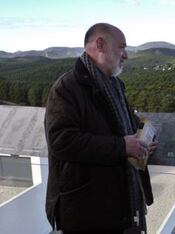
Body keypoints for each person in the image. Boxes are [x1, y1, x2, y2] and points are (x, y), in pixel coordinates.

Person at [44, 23, 158, 234]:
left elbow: (121, 127)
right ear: (100, 44)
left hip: (120, 207)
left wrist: (140, 142)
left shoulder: (115, 85)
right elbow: (61, 141)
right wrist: (122, 147)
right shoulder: (67, 87)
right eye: (121, 47)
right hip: (87, 213)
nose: (126, 55)